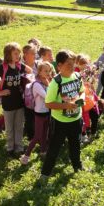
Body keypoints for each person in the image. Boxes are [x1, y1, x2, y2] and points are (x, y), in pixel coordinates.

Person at [40, 50, 86, 181]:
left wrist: (81, 99)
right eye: (68, 64)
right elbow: (48, 103)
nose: (72, 67)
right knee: (54, 148)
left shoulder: (77, 76)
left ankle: (77, 166)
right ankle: (45, 173)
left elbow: (82, 91)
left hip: (76, 119)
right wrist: (66, 106)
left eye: (73, 64)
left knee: (75, 145)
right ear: (59, 66)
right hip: (59, 122)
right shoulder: (56, 82)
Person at [0, 43, 29, 158]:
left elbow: (30, 71)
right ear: (8, 54)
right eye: (15, 53)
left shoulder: (19, 66)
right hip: (8, 104)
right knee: (9, 128)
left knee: (19, 126)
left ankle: (19, 148)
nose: (18, 55)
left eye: (19, 53)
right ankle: (10, 148)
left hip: (19, 102)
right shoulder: (3, 68)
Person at [21, 61, 54, 165]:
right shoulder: (37, 84)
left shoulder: (47, 82)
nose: (48, 73)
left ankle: (43, 151)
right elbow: (48, 97)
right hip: (39, 113)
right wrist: (52, 88)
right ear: (39, 72)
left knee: (45, 134)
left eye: (49, 71)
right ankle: (26, 156)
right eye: (45, 71)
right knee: (37, 136)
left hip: (46, 112)